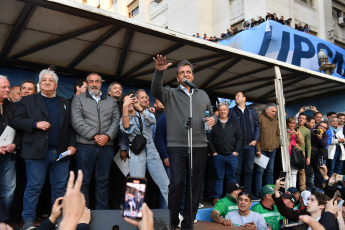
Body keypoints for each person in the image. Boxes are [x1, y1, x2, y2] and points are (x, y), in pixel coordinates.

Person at [151, 55, 215, 229]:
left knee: (194, 187)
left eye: (188, 72)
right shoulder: (170, 93)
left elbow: (211, 114)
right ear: (178, 77)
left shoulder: (202, 95)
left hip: (199, 146)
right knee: (177, 183)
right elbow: (156, 90)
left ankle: (188, 224)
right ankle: (171, 223)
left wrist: (213, 120)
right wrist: (159, 71)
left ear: (192, 76)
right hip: (177, 146)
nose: (185, 75)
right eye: (181, 73)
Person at [11, 69, 76, 230]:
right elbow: (16, 120)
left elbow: (70, 127)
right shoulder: (28, 100)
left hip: (61, 153)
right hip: (36, 152)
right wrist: (35, 124)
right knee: (33, 188)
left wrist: (72, 144)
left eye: (51, 80)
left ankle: (58, 220)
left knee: (59, 189)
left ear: (56, 85)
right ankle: (28, 221)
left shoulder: (65, 102)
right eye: (44, 80)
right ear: (39, 84)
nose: (47, 82)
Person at [71, 73, 120, 209]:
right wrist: (95, 135)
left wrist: (107, 136)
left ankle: (101, 214)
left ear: (101, 83)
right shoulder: (79, 99)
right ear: (87, 84)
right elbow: (76, 121)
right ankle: (82, 213)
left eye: (97, 81)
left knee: (103, 182)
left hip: (107, 147)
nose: (94, 84)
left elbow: (116, 122)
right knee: (83, 181)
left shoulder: (111, 101)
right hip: (85, 147)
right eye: (91, 81)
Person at [120, 94, 169, 206]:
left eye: (132, 100)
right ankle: (134, 214)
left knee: (164, 183)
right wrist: (125, 108)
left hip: (152, 151)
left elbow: (152, 121)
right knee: (136, 185)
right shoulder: (123, 117)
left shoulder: (143, 113)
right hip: (137, 153)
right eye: (127, 101)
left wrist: (140, 109)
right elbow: (126, 127)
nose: (130, 103)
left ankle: (175, 214)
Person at [207, 102, 242, 204]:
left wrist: (236, 151)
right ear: (218, 111)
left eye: (224, 109)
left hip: (232, 155)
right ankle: (217, 197)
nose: (223, 111)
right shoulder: (214, 124)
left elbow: (240, 138)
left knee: (232, 177)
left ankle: (232, 197)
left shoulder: (234, 123)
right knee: (218, 177)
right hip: (219, 156)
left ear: (228, 111)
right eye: (221, 110)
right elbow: (209, 139)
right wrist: (213, 152)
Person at [273, 178, 338, 229]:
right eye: (308, 199)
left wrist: (330, 185)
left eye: (312, 200)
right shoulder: (304, 217)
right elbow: (284, 210)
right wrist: (276, 190)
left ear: (321, 206)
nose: (307, 202)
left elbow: (329, 200)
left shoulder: (329, 223)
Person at [229, 91, 260, 195]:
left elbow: (257, 126)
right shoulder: (232, 111)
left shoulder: (251, 111)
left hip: (250, 145)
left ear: (244, 98)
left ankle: (248, 193)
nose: (235, 97)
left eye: (238, 95)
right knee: (237, 171)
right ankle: (236, 194)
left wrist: (255, 139)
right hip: (237, 146)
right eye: (235, 95)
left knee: (249, 170)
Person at [0, 76, 20, 223]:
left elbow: (20, 131)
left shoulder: (13, 107)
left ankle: (4, 222)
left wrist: (14, 145)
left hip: (8, 156)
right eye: (3, 87)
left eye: (8, 87)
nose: (8, 90)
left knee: (8, 192)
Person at [255, 103, 280, 195]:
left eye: (275, 112)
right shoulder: (259, 118)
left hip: (272, 150)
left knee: (270, 171)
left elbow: (278, 134)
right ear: (267, 110)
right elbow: (256, 135)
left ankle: (270, 192)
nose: (274, 113)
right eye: (273, 111)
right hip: (262, 150)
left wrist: (276, 145)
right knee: (260, 171)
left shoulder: (275, 121)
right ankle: (259, 192)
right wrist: (258, 149)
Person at [286, 116, 304, 188]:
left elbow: (302, 142)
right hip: (287, 153)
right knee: (287, 171)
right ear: (287, 123)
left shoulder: (297, 130)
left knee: (294, 172)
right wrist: (289, 135)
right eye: (290, 123)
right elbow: (283, 141)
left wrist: (298, 135)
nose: (292, 125)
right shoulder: (285, 130)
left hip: (295, 153)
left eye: (293, 123)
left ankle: (293, 188)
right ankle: (287, 188)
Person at [297, 112, 311, 191]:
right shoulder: (292, 126)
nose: (301, 119)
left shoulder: (307, 130)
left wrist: (308, 157)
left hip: (301, 152)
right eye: (300, 117)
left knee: (302, 171)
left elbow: (308, 145)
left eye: (303, 118)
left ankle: (303, 189)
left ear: (306, 121)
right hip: (290, 151)